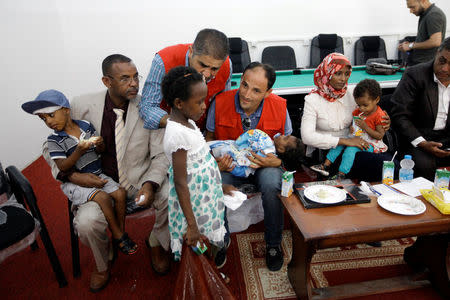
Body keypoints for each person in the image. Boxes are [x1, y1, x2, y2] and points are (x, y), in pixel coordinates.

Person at [42, 54, 171, 293]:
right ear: (106, 81)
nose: (134, 83)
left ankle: (156, 241)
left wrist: (150, 184)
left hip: (137, 181)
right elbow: (49, 148)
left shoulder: (148, 109)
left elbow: (161, 156)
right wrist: (71, 176)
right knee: (87, 222)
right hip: (96, 185)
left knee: (172, 195)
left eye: (135, 77)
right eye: (125, 78)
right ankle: (104, 261)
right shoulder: (80, 105)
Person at [22, 90, 138, 255]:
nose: (48, 121)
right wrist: (78, 151)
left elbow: (101, 151)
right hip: (75, 184)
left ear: (66, 110)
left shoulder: (85, 126)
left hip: (98, 173)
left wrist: (99, 144)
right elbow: (63, 167)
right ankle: (120, 236)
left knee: (120, 193)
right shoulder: (54, 140)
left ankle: (118, 232)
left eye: (51, 115)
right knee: (103, 197)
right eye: (44, 119)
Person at [206, 62, 293, 272]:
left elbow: (289, 148)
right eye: (244, 85)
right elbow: (207, 141)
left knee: (273, 183)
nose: (246, 94)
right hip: (230, 166)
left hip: (265, 166)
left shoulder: (280, 106)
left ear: (268, 92)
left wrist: (279, 161)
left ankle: (273, 244)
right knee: (215, 183)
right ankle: (220, 242)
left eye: (256, 90)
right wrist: (216, 164)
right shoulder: (219, 102)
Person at [161, 66, 231, 267]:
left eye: (205, 100)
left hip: (206, 197)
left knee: (206, 242)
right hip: (194, 204)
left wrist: (220, 186)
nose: (204, 106)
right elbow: (181, 182)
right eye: (199, 102)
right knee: (197, 242)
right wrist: (192, 225)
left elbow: (201, 161)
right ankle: (202, 280)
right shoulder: (177, 135)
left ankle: (209, 270)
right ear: (179, 103)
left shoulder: (188, 122)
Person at [301, 53, 391, 181]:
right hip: (330, 152)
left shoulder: (353, 93)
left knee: (385, 164)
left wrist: (385, 121)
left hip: (357, 144)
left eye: (347, 74)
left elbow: (371, 110)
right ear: (327, 73)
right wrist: (344, 141)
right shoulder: (312, 100)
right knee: (382, 165)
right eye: (338, 73)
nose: (343, 79)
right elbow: (307, 137)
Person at [139, 28, 232, 131]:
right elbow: (147, 107)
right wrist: (177, 125)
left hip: (204, 131)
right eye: (202, 65)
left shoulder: (227, 65)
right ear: (191, 52)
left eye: (214, 69)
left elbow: (222, 105)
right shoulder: (163, 61)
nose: (207, 74)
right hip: (167, 129)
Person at [391, 37, 450, 181]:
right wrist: (422, 143)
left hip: (447, 139)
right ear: (437, 53)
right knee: (423, 167)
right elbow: (400, 115)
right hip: (418, 140)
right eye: (442, 60)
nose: (444, 68)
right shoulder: (415, 75)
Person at [310, 79, 387, 179]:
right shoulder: (358, 112)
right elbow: (353, 123)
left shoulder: (379, 115)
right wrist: (352, 127)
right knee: (341, 143)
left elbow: (380, 135)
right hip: (357, 137)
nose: (362, 108)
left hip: (371, 143)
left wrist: (365, 127)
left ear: (376, 100)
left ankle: (342, 174)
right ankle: (325, 165)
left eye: (365, 105)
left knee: (350, 149)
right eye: (359, 105)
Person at [208, 129, 305, 177]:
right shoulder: (269, 144)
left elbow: (254, 133)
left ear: (281, 150)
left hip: (242, 164)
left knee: (271, 179)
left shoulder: (268, 145)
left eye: (285, 138)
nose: (282, 135)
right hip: (235, 163)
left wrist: (279, 162)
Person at [398, 0, 446, 66]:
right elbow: (425, 40)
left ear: (423, 1)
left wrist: (410, 46)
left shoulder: (433, 14)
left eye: (413, 7)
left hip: (425, 64)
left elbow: (435, 41)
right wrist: (408, 46)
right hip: (421, 63)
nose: (411, 11)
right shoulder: (425, 14)